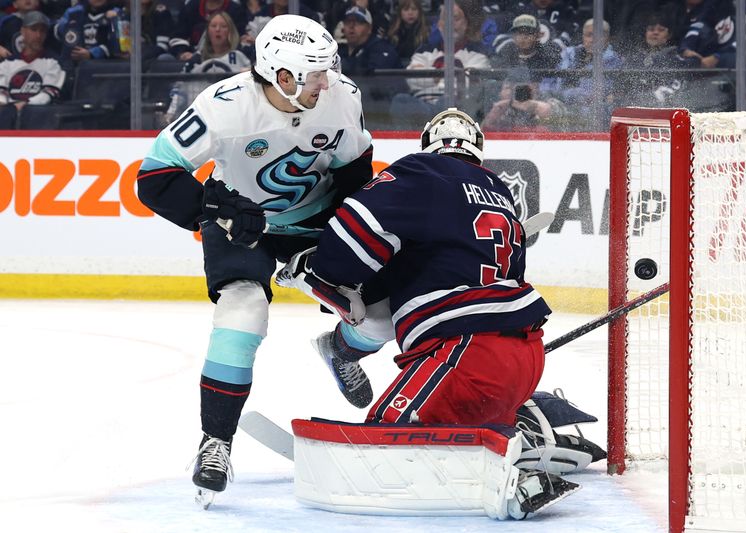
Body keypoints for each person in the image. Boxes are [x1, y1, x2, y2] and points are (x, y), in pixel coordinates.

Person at [275, 108, 583, 518]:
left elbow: (352, 233)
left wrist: (317, 271)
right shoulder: (499, 189)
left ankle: (511, 472)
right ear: (477, 150)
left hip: (465, 352)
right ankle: (511, 428)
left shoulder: (420, 171)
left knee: (383, 439)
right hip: (526, 356)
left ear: (428, 145)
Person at [135, 14, 373, 507]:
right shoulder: (224, 108)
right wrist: (214, 209)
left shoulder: (342, 96)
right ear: (282, 76)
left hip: (316, 218)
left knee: (377, 312)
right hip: (239, 226)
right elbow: (154, 178)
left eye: (328, 69)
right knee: (242, 312)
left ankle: (342, 348)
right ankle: (216, 441)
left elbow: (355, 173)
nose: (325, 82)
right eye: (314, 73)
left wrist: (357, 234)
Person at [389, 0, 490, 128]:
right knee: (401, 100)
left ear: (467, 23)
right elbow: (412, 79)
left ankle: (431, 123)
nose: (449, 23)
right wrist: (445, 74)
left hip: (457, 118)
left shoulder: (478, 54)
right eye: (445, 18)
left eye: (455, 18)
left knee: (448, 102)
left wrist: (431, 74)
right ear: (439, 24)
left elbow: (468, 88)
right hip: (420, 107)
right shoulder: (424, 51)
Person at [162, 11, 251, 125]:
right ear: (208, 31)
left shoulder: (241, 55)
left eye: (223, 26)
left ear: (230, 31)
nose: (218, 29)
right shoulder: (197, 59)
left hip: (234, 113)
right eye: (213, 26)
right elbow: (180, 86)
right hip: (202, 114)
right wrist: (170, 115)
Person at [0, 10, 66, 128]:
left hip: (39, 119)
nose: (38, 36)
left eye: (42, 31)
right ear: (23, 31)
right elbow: (1, 93)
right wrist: (10, 108)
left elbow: (48, 95)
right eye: (34, 30)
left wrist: (21, 106)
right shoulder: (8, 63)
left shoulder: (54, 62)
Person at [482, 67, 566, 131]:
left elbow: (559, 121)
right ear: (500, 93)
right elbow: (486, 129)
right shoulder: (501, 108)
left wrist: (534, 106)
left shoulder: (548, 99)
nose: (516, 92)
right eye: (509, 88)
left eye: (522, 88)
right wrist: (498, 109)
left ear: (536, 87)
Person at [338, 5, 401, 75]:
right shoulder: (340, 50)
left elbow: (377, 75)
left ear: (369, 28)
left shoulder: (381, 48)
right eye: (348, 22)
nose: (351, 26)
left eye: (358, 22)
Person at [385, 0, 429, 65]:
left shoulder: (426, 32)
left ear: (419, 12)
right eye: (406, 9)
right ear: (400, 13)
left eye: (414, 9)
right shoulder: (392, 33)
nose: (410, 13)